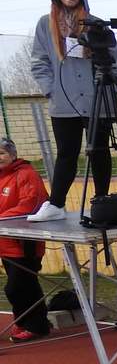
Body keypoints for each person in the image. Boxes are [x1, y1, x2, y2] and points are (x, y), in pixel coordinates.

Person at [28, 0, 117, 223]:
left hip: (98, 98)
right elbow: (39, 61)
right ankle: (56, 203)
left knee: (99, 150)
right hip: (63, 100)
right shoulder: (45, 23)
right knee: (67, 152)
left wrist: (113, 89)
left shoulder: (95, 22)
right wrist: (50, 89)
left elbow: (116, 61)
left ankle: (101, 201)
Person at [0, 137, 52, 341]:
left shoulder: (26, 174)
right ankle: (28, 322)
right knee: (26, 285)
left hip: (25, 242)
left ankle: (34, 325)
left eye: (2, 153)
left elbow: (31, 204)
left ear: (13, 155)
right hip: (5, 242)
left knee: (17, 287)